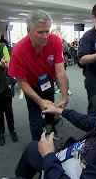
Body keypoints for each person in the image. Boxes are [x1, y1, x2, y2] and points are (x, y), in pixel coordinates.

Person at [15, 92, 96, 178]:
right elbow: (87, 121)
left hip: (63, 171)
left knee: (35, 149)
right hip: (69, 158)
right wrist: (60, 111)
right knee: (32, 147)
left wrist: (48, 156)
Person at [8, 10, 68, 141]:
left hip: (48, 84)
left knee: (51, 112)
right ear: (29, 31)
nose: (45, 36)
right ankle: (37, 144)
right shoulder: (19, 50)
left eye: (47, 31)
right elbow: (22, 83)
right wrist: (40, 101)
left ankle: (52, 133)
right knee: (35, 118)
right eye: (40, 32)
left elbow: (61, 71)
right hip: (31, 86)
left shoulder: (55, 41)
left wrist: (64, 97)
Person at [50, 29, 72, 96]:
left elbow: (67, 52)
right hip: (52, 62)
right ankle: (59, 88)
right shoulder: (50, 42)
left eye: (55, 34)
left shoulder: (63, 42)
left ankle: (67, 89)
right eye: (52, 34)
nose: (54, 35)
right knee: (56, 76)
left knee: (64, 75)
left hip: (62, 61)